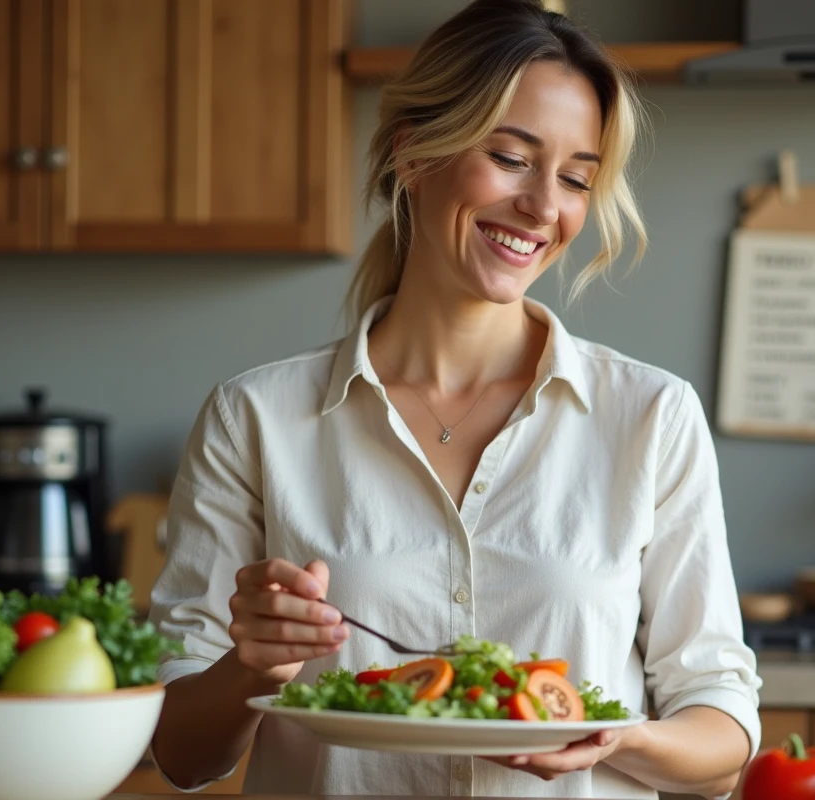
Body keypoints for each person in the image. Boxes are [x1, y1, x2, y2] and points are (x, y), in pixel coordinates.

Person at [147, 1, 761, 797]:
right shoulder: (254, 418)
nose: (544, 206)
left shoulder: (651, 416)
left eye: (576, 178)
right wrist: (253, 664)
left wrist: (611, 737)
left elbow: (721, 729)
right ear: (413, 154)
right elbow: (182, 753)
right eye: (511, 158)